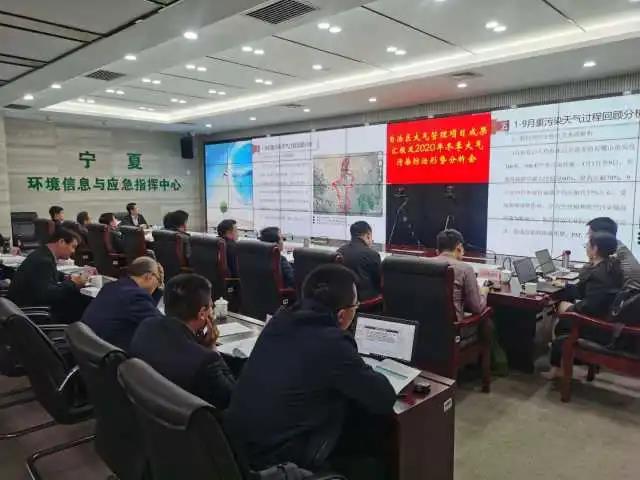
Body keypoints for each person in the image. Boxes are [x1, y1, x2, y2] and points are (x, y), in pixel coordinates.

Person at [224, 264, 395, 476]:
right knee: (374, 460)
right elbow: (383, 397)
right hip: (279, 463)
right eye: (356, 306)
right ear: (342, 315)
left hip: (238, 452)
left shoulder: (279, 320)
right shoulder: (333, 342)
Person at [130, 273, 235, 409]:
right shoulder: (205, 360)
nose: (212, 311)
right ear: (202, 313)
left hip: (147, 411)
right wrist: (211, 347)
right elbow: (232, 397)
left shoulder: (146, 326)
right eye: (211, 307)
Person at [548, 232, 624, 374]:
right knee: (566, 299)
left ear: (595, 249)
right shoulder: (613, 267)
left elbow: (590, 306)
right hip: (607, 320)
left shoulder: (598, 274)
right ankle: (559, 361)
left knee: (561, 317)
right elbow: (588, 293)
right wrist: (565, 286)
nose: (586, 248)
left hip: (595, 327)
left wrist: (569, 308)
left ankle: (557, 365)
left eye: (587, 245)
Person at [81, 257, 164, 351]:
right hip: (110, 353)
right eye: (158, 280)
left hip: (88, 347)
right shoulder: (135, 296)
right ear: (148, 276)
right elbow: (162, 326)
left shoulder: (111, 286)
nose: (158, 285)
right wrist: (161, 290)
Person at [8, 228, 89, 322]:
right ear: (61, 242)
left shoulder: (41, 254)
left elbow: (44, 276)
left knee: (77, 299)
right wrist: (73, 283)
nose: (73, 251)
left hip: (22, 308)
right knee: (81, 302)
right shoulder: (44, 261)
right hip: (33, 314)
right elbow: (48, 295)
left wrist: (65, 277)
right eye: (73, 246)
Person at [430, 229, 487, 320]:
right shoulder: (465, 269)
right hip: (454, 326)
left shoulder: (425, 264)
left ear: (438, 250)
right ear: (459, 248)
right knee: (488, 320)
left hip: (427, 323)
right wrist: (484, 292)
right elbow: (477, 307)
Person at [586, 217, 640, 290]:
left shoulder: (610, 252)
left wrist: (591, 257)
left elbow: (589, 277)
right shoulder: (616, 246)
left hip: (626, 295)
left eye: (589, 234)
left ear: (600, 234)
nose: (588, 238)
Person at [336, 221, 381, 301]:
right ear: (368, 235)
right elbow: (380, 282)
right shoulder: (372, 254)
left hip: (343, 300)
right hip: (366, 302)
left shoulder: (339, 251)